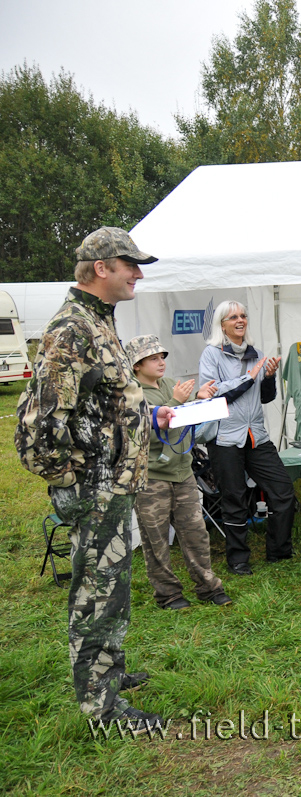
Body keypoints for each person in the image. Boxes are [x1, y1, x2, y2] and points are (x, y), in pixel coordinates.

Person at [14, 227, 171, 733]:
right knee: (98, 590)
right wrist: (73, 478)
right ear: (101, 268)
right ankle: (101, 708)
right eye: (131, 264)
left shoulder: (97, 322)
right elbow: (38, 424)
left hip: (112, 485)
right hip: (95, 488)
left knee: (114, 587)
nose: (139, 274)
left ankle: (108, 673)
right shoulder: (73, 330)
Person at [127, 335, 231, 609]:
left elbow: (182, 420)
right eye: (153, 358)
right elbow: (146, 428)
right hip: (152, 477)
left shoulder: (171, 384)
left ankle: (208, 588)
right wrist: (175, 401)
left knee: (195, 533)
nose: (161, 362)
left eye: (162, 357)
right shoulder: (130, 394)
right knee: (156, 540)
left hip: (182, 472)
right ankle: (169, 595)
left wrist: (199, 400)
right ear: (137, 365)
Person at [198, 300, 295, 575]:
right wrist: (248, 378)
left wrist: (268, 377)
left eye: (243, 316)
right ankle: (238, 559)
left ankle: (279, 551)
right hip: (225, 437)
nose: (240, 320)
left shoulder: (257, 354)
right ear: (222, 325)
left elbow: (265, 398)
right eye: (233, 317)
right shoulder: (211, 355)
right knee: (234, 498)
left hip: (256, 435)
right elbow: (213, 395)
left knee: (283, 490)